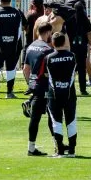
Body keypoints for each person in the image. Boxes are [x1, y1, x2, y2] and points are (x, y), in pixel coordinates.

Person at [45, 32, 79, 157]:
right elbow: (75, 72)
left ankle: (60, 150)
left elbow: (45, 75)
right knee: (71, 121)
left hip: (54, 94)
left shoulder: (48, 58)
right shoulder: (72, 56)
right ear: (64, 42)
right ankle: (72, 151)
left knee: (56, 121)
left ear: (53, 43)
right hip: (70, 93)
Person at [24, 22, 55, 156]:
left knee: (35, 119)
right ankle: (57, 144)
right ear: (48, 32)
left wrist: (30, 84)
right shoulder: (47, 50)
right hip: (45, 86)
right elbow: (51, 72)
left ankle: (31, 147)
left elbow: (25, 69)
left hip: (35, 85)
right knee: (52, 116)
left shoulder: (30, 47)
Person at [0, 0, 26, 99]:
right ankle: (9, 92)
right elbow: (25, 26)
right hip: (14, 44)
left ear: (0, 1)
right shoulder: (18, 12)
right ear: (10, 0)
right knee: (11, 67)